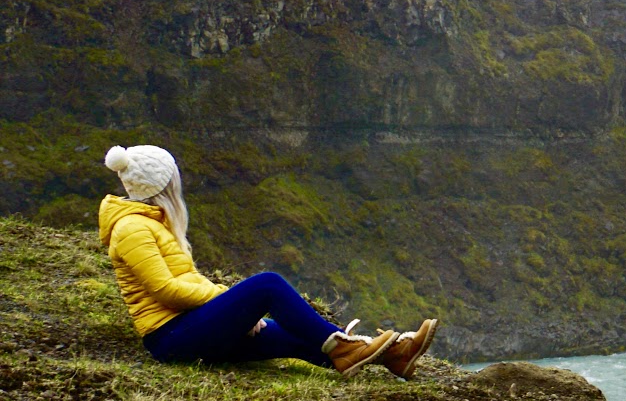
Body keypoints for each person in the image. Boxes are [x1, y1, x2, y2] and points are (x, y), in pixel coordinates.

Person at [98, 144, 437, 378]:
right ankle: (351, 348)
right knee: (268, 285)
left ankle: (395, 356)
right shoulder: (132, 228)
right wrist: (229, 303)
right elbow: (166, 291)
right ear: (163, 184)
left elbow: (188, 281)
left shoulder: (152, 222)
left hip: (190, 327)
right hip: (170, 338)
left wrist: (232, 312)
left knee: (296, 334)